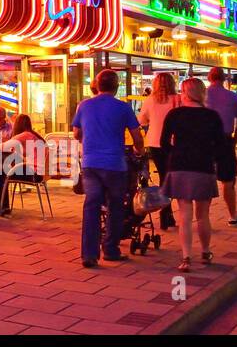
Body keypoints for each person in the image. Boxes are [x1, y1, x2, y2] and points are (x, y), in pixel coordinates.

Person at [71, 69, 144, 267]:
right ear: (116, 86)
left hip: (91, 164)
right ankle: (111, 249)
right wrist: (140, 151)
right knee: (116, 206)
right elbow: (137, 135)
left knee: (91, 205)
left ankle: (89, 254)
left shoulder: (84, 106)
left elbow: (76, 133)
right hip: (115, 165)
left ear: (97, 85)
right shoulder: (123, 108)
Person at [159, 78, 227, 272]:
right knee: (203, 215)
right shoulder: (212, 116)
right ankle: (205, 251)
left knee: (184, 215)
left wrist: (175, 151)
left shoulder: (175, 114)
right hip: (203, 167)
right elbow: (221, 146)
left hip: (180, 166)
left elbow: (163, 143)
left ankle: (187, 257)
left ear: (186, 93)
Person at [205, 67, 237, 225]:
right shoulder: (233, 97)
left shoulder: (200, 96)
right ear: (224, 79)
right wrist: (234, 140)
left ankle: (204, 217)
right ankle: (233, 215)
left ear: (209, 78)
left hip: (204, 141)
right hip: (224, 140)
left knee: (206, 178)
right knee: (228, 180)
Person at [137, 72, 180, 230]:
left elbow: (141, 120)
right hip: (174, 142)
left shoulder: (150, 100)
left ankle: (166, 211)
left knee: (163, 175)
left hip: (155, 141)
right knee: (170, 177)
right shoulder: (178, 99)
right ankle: (166, 212)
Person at [0, 113, 46, 214]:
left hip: (33, 174)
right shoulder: (33, 135)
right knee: (1, 170)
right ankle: (0, 205)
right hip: (39, 173)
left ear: (17, 124)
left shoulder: (24, 135)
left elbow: (3, 146)